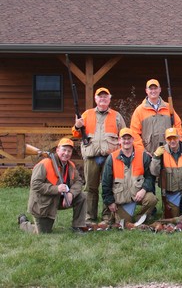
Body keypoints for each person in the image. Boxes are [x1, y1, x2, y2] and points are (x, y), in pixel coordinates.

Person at [72, 87, 126, 224]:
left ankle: (107, 218)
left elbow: (124, 135)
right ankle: (90, 217)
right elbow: (76, 134)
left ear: (109, 99)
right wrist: (77, 126)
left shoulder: (116, 116)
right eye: (100, 96)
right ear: (95, 99)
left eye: (105, 96)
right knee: (91, 188)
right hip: (91, 157)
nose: (102, 99)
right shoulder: (86, 114)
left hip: (110, 158)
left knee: (108, 187)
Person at [19, 138, 87, 234]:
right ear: (57, 150)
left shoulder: (71, 165)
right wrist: (57, 189)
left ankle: (77, 226)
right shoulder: (45, 164)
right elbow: (35, 185)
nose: (66, 153)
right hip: (44, 203)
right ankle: (23, 222)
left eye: (69, 151)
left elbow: (79, 181)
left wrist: (71, 194)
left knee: (82, 196)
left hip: (59, 199)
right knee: (43, 232)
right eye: (64, 150)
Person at [101, 128, 158, 224]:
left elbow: (150, 177)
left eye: (129, 138)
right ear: (119, 140)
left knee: (151, 199)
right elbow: (106, 183)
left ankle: (140, 218)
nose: (126, 141)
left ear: (133, 140)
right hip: (121, 197)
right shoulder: (112, 158)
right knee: (124, 223)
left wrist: (144, 190)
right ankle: (114, 215)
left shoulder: (143, 156)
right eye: (124, 138)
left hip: (137, 194)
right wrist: (110, 202)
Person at [150, 128, 182, 217]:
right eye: (169, 139)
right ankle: (179, 207)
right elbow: (154, 172)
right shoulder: (161, 152)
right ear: (166, 139)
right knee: (172, 217)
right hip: (171, 191)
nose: (172, 141)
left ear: (179, 137)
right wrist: (156, 157)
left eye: (174, 138)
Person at [130, 79, 182, 156]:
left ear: (160, 90)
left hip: (168, 151)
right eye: (151, 89)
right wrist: (142, 151)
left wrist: (177, 143)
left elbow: (177, 125)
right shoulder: (139, 110)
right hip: (149, 153)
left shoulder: (168, 107)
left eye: (155, 88)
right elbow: (134, 133)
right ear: (146, 91)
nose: (153, 91)